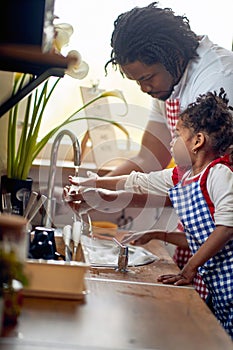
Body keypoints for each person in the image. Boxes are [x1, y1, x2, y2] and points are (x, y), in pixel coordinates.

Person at [86, 1, 233, 299]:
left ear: (174, 56)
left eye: (146, 78)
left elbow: (199, 184)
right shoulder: (169, 80)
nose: (143, 88)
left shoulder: (217, 80)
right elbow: (147, 159)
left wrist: (105, 191)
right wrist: (97, 189)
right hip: (201, 239)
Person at [64, 89, 233, 338]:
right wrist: (90, 184)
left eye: (177, 135)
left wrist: (190, 269)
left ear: (197, 141)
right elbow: (136, 181)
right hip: (219, 288)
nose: (170, 143)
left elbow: (226, 229)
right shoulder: (183, 177)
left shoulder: (219, 175)